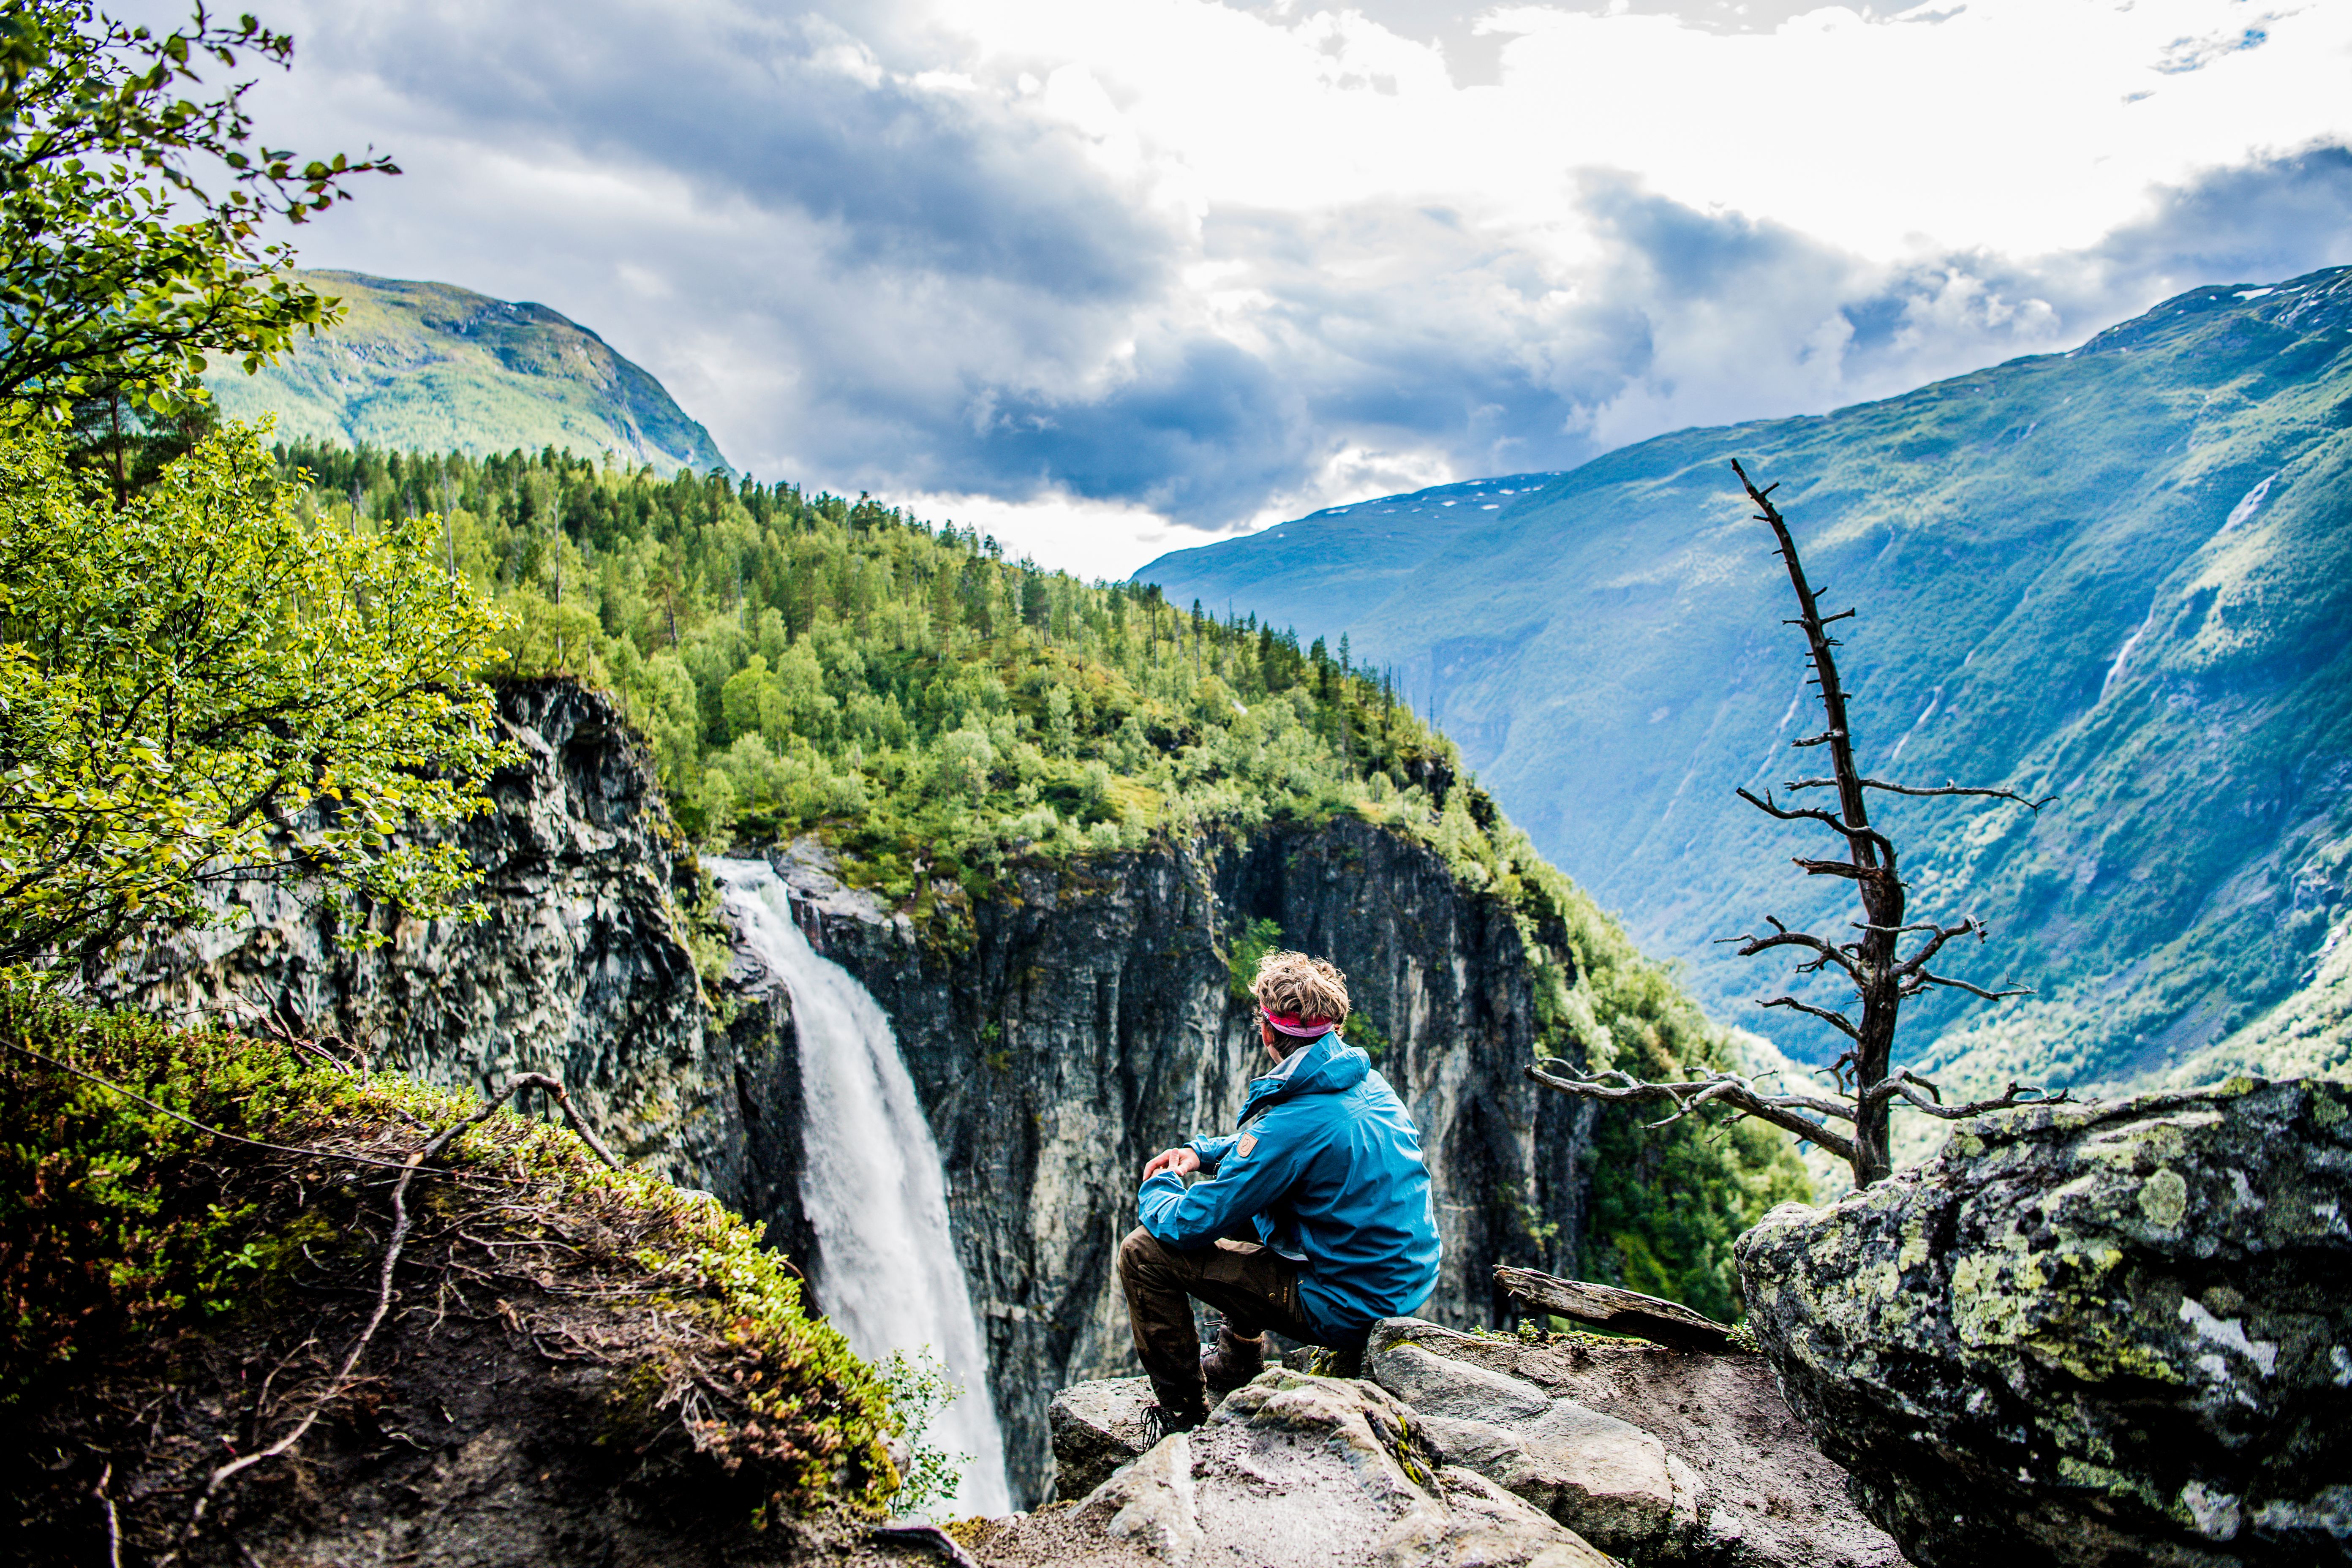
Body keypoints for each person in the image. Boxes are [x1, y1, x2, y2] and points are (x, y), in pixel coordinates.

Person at [1119, 949, 1442, 1429]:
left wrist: (1162, 1183)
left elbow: (1192, 1224)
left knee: (1143, 1252)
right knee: (1258, 1202)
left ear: (1268, 1033)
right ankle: (1237, 1361)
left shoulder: (1292, 1125)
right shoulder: (1369, 1083)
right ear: (1335, 1029)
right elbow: (1278, 1150)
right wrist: (1204, 1154)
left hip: (1349, 1304)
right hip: (1399, 1279)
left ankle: (1182, 1416)